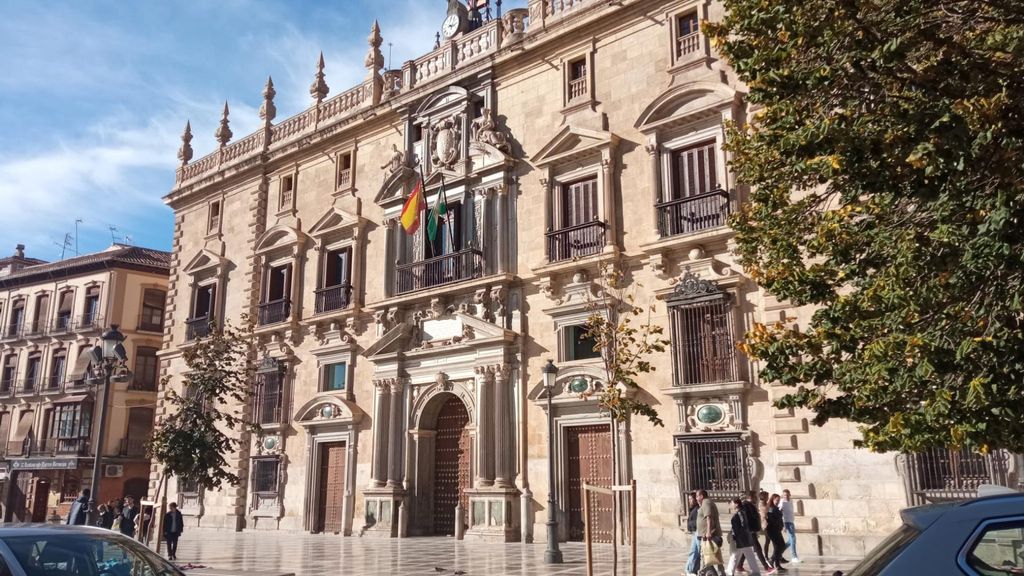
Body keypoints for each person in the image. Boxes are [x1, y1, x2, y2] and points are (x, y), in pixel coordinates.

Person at [725, 498, 768, 576]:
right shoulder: (742, 512)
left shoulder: (740, 514)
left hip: (740, 539)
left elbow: (743, 525)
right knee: (748, 554)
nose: (730, 504)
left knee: (735, 555)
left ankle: (730, 571)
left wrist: (735, 536)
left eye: (731, 503)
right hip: (745, 539)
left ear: (736, 504)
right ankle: (755, 572)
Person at [737, 491, 772, 573]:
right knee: (758, 548)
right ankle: (766, 567)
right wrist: (750, 530)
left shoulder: (749, 505)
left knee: (746, 549)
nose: (757, 498)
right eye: (755, 497)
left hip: (751, 531)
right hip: (749, 532)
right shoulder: (746, 506)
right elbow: (746, 520)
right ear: (750, 497)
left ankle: (739, 565)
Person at [696, 490, 725, 576]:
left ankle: (705, 572)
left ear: (701, 496)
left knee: (706, 555)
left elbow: (709, 517)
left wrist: (708, 532)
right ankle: (719, 573)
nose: (696, 499)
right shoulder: (706, 503)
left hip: (709, 535)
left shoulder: (706, 502)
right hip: (708, 535)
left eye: (697, 496)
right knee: (714, 555)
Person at [765, 494, 788, 571]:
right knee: (780, 546)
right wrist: (779, 518)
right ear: (772, 500)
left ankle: (777, 564)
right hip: (773, 530)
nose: (778, 502)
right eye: (776, 500)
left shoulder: (775, 508)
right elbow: (771, 520)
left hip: (777, 530)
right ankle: (772, 560)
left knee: (779, 546)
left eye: (778, 500)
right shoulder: (771, 509)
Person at [781, 489, 800, 564]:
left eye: (788, 494)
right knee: (793, 539)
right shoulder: (781, 502)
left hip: (791, 522)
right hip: (786, 522)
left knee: (790, 541)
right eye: (785, 495)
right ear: (783, 495)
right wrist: (783, 525)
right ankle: (794, 556)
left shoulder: (791, 501)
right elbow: (781, 514)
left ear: (790, 494)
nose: (786, 496)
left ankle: (778, 553)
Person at [685, 492, 702, 576]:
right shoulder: (693, 509)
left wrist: (690, 525)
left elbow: (698, 522)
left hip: (698, 532)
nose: (689, 501)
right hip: (695, 532)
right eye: (688, 499)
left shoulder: (697, 509)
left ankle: (692, 570)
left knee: (697, 551)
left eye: (690, 499)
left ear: (695, 499)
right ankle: (690, 570)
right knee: (694, 551)